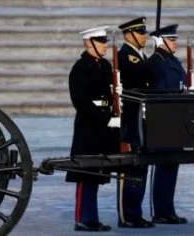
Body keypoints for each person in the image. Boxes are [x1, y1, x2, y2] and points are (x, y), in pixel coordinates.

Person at [68, 26, 119, 232]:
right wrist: (105, 115)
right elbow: (80, 101)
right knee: (85, 173)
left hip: (102, 128)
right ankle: (83, 218)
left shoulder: (105, 66)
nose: (105, 45)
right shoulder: (81, 68)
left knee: (96, 174)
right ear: (89, 43)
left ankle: (92, 217)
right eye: (101, 42)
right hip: (88, 128)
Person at [146, 24, 188, 225]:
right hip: (163, 120)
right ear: (160, 41)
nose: (175, 43)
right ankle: (160, 210)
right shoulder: (156, 62)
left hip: (176, 119)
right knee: (163, 167)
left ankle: (168, 209)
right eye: (171, 40)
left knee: (172, 166)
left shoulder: (172, 61)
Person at [115, 17, 154, 229]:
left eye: (144, 33)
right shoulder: (125, 57)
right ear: (129, 35)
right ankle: (127, 215)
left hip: (142, 117)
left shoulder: (140, 56)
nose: (144, 37)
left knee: (141, 166)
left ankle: (136, 212)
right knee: (130, 167)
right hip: (131, 118)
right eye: (140, 33)